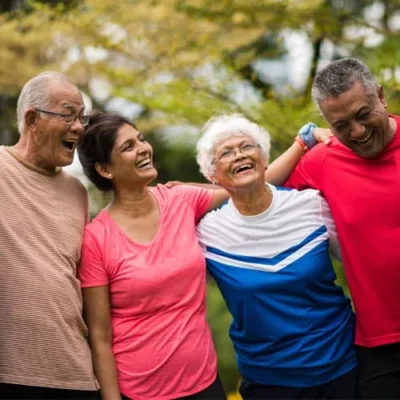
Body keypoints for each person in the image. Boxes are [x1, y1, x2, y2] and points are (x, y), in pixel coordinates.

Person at [195, 113, 358, 400]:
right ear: (212, 175)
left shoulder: (310, 205)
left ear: (264, 157)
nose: (239, 155)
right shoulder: (207, 234)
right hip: (268, 382)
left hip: (344, 367)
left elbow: (361, 265)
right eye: (226, 153)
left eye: (247, 147)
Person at [267, 57, 400, 399]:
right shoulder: (321, 162)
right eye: (342, 125)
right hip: (382, 343)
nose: (357, 132)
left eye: (363, 114)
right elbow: (255, 194)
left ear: (381, 97)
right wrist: (185, 195)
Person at [77, 112, 228, 400]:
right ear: (106, 170)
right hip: (140, 392)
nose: (144, 148)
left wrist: (305, 142)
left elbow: (246, 187)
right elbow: (100, 337)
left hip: (206, 383)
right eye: (128, 147)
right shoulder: (96, 240)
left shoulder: (181, 200)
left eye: (141, 139)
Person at [0, 72, 99, 399]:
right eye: (68, 115)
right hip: (11, 373)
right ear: (32, 119)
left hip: (75, 374)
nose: (79, 127)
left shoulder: (76, 192)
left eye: (82, 117)